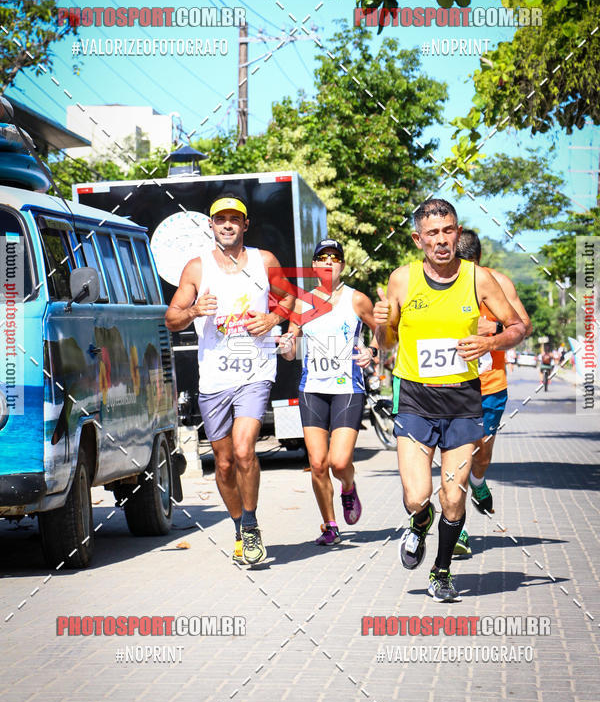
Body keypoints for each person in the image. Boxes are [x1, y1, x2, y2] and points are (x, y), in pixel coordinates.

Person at [374, 199, 526, 602]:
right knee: (416, 495)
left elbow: (518, 327)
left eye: (448, 231)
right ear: (418, 239)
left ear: (457, 234)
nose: (441, 240)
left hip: (462, 401)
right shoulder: (402, 280)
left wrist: (490, 341)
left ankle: (441, 572)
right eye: (433, 233)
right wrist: (381, 326)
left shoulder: (479, 279)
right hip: (415, 399)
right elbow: (387, 343)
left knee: (455, 497)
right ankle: (420, 521)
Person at [165, 195, 293, 565]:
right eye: (220, 219)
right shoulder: (197, 268)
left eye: (234, 219)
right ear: (211, 225)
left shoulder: (263, 261)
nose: (227, 225)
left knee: (243, 450)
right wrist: (193, 310)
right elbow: (171, 319)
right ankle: (239, 527)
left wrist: (272, 320)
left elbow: (291, 300)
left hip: (256, 371)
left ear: (245, 225)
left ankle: (251, 525)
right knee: (222, 463)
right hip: (215, 377)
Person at [280, 239, 378, 546]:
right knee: (318, 462)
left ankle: (348, 486)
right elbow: (289, 346)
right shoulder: (301, 303)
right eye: (322, 258)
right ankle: (330, 524)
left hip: (347, 388)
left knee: (338, 462)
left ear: (342, 266)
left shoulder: (357, 299)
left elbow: (385, 332)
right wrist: (287, 347)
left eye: (334, 258)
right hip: (312, 389)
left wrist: (372, 351)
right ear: (314, 266)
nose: (328, 262)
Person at [450, 229, 532, 559]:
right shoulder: (440, 284)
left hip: (491, 385)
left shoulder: (499, 284)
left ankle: (480, 482)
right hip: (451, 387)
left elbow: (524, 326)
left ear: (479, 263)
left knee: (480, 457)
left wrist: (494, 330)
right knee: (457, 457)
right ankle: (458, 529)